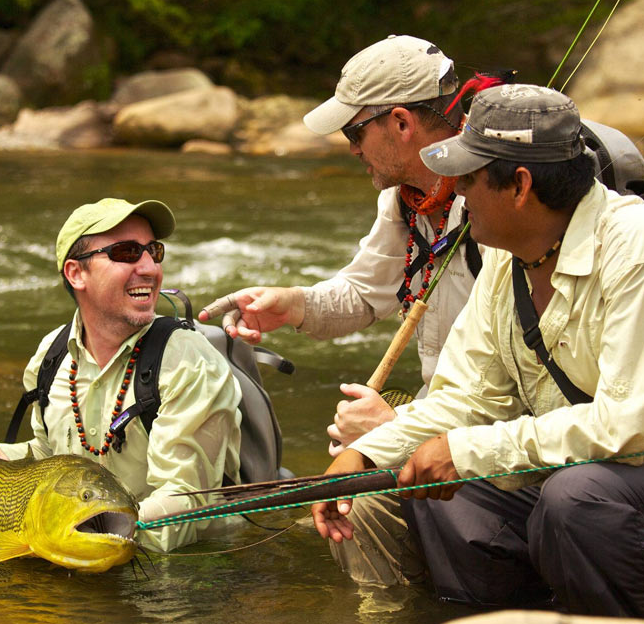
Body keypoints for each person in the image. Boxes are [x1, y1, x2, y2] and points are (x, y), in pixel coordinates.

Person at [311, 84, 644, 620]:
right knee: (415, 489)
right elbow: (464, 397)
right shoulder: (507, 255)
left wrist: (466, 450)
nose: (456, 192)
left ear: (520, 185)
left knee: (577, 498)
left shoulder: (643, 253)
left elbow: (628, 429)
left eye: (469, 179)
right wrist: (364, 455)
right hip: (589, 469)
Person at [199, 35, 491, 585]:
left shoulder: (500, 206)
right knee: (353, 500)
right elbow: (363, 295)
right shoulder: (408, 197)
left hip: (502, 429)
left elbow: (521, 383)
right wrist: (293, 305)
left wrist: (393, 426)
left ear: (402, 124)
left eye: (355, 131)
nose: (351, 148)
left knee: (360, 497)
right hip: (449, 417)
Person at [0, 197, 243, 553]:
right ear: (76, 273)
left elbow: (186, 502)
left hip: (194, 571)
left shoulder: (188, 362)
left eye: (153, 251)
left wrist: (91, 531)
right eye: (127, 252)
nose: (149, 267)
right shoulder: (50, 357)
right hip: (89, 547)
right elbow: (48, 458)